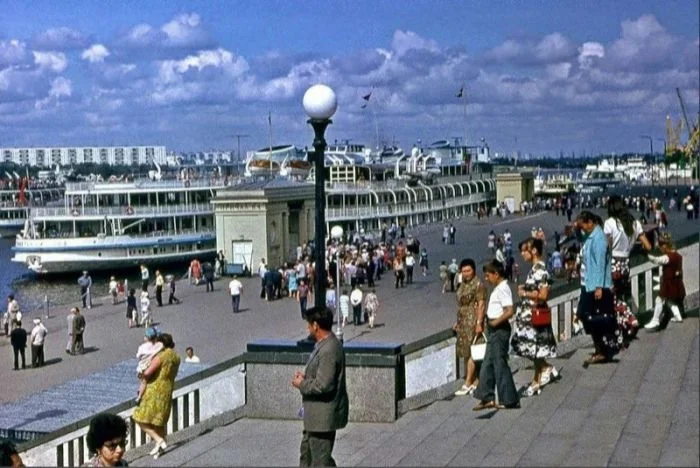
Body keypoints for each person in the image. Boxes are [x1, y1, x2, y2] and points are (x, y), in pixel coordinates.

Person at [291, 306, 349, 467]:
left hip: (322, 420)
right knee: (307, 458)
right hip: (314, 419)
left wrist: (302, 384)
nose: (307, 328)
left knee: (320, 462)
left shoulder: (329, 349)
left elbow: (324, 385)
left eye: (309, 324)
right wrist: (307, 378)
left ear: (316, 325)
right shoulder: (324, 344)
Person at [510, 238, 559, 397]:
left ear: (534, 251)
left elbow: (543, 295)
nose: (522, 254)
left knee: (534, 349)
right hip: (529, 317)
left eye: (525, 250)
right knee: (533, 350)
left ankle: (536, 381)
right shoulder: (535, 269)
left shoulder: (540, 270)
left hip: (534, 317)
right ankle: (544, 371)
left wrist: (525, 293)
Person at [575, 211, 621, 367]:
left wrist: (599, 287)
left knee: (592, 317)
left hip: (596, 285)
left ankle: (601, 350)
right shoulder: (590, 237)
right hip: (588, 283)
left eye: (583, 225)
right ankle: (600, 348)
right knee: (587, 316)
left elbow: (601, 263)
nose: (582, 228)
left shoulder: (599, 239)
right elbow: (581, 239)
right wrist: (576, 229)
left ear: (590, 222)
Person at [604, 195, 653, 344]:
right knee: (620, 295)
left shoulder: (610, 223)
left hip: (613, 263)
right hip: (626, 264)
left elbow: (607, 247)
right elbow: (648, 246)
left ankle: (630, 319)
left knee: (610, 298)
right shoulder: (635, 223)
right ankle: (623, 327)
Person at [472, 260, 520, 411]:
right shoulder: (498, 288)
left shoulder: (503, 289)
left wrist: (495, 322)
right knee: (487, 363)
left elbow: (509, 310)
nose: (486, 279)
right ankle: (487, 397)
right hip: (493, 329)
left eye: (488, 275)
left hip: (499, 329)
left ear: (496, 274)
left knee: (500, 364)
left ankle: (509, 399)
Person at [132, 333, 181, 460]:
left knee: (139, 417)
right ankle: (159, 448)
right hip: (167, 390)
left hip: (154, 390)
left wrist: (141, 374)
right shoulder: (176, 357)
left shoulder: (161, 356)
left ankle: (159, 440)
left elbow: (148, 373)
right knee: (159, 421)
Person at [452, 259, 486, 396]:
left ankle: (468, 382)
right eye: (464, 271)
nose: (466, 273)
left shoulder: (478, 284)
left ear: (474, 270)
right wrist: (458, 322)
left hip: (473, 320)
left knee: (471, 351)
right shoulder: (462, 284)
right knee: (465, 351)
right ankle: (474, 380)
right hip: (463, 321)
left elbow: (481, 304)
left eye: (468, 270)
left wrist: (479, 323)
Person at [645, 233, 686, 329]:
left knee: (659, 300)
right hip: (677, 283)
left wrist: (647, 255)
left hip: (668, 283)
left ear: (664, 246)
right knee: (669, 301)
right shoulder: (678, 256)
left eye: (660, 246)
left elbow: (657, 260)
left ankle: (655, 320)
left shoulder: (668, 257)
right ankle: (678, 316)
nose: (660, 249)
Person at [135, 327, 163, 404]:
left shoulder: (142, 347)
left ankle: (139, 396)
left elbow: (138, 356)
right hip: (150, 365)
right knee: (145, 381)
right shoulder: (158, 345)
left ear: (147, 337)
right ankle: (140, 391)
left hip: (142, 367)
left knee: (143, 382)